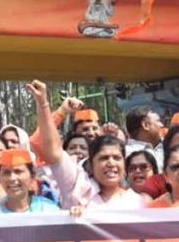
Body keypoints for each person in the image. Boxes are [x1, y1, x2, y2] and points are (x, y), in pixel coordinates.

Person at [28, 81, 143, 210]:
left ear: (125, 165)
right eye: (103, 158)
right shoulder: (78, 190)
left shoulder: (139, 202)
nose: (111, 163)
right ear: (90, 165)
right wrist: (44, 104)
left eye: (117, 158)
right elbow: (50, 148)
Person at [0, 150, 59, 214]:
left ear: (32, 176)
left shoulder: (47, 209)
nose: (12, 178)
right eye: (6, 172)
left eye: (18, 171)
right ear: (0, 177)